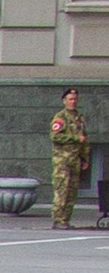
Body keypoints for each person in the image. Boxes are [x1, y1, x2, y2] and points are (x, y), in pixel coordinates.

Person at [51, 86, 90, 229]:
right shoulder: (60, 118)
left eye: (75, 99)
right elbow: (55, 136)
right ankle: (58, 219)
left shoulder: (79, 117)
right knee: (62, 189)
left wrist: (85, 158)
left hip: (75, 160)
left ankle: (66, 219)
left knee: (72, 191)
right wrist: (74, 138)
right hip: (63, 160)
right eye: (70, 99)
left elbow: (84, 139)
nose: (73, 102)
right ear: (64, 101)